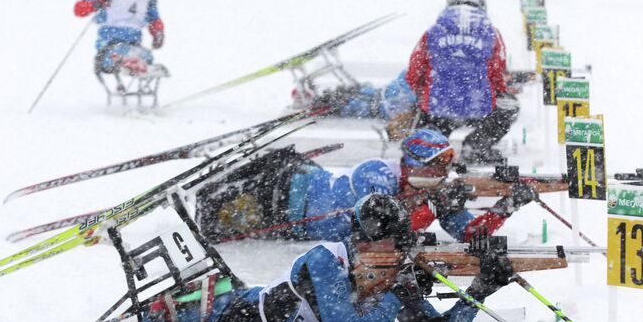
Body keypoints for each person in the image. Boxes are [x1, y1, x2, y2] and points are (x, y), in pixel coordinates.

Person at [145, 194, 516, 322]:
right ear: (362, 240)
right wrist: (396, 296)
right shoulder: (325, 262)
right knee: (155, 319)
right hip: (222, 321)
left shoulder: (384, 272)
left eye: (401, 246)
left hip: (249, 307)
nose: (398, 254)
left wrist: (478, 293)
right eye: (391, 246)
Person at [195, 127, 537, 245]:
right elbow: (384, 230)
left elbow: (469, 235)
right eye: (437, 166)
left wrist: (504, 208)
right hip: (282, 192)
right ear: (416, 164)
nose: (443, 176)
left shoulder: (432, 194)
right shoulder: (375, 173)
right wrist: (432, 208)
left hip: (292, 221)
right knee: (210, 214)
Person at [398, 0, 519, 164]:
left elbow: (415, 69)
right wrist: (492, 92)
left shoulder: (432, 32)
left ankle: (432, 148)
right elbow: (498, 74)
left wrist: (422, 92)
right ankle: (476, 146)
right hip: (479, 106)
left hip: (438, 105)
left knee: (428, 117)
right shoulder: (492, 34)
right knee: (510, 107)